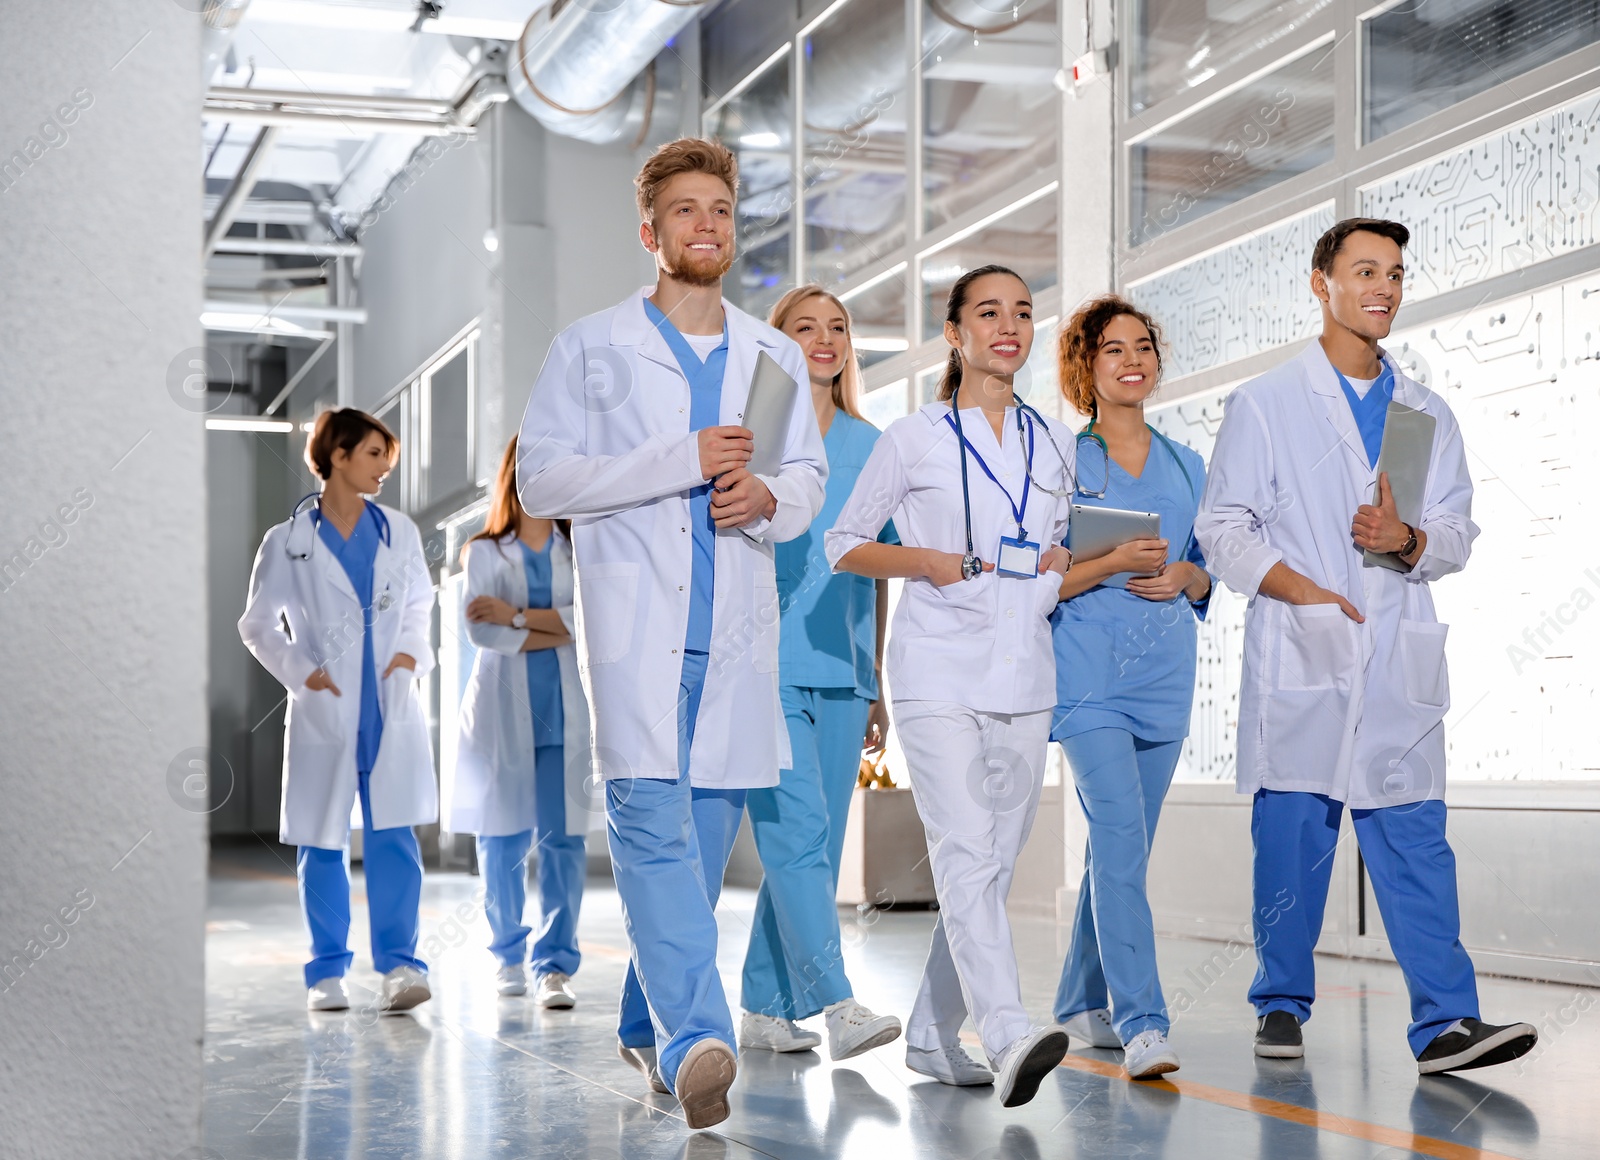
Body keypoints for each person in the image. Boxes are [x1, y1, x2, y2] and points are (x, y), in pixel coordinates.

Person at [516, 137, 826, 1129]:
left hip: (731, 637)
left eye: (723, 211)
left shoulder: (772, 355)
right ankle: (699, 1035)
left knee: (695, 853)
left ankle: (648, 1024)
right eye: (687, 210)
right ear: (650, 233)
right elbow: (543, 480)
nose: (708, 225)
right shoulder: (590, 349)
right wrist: (678, 458)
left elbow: (805, 479)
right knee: (651, 834)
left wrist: (766, 494)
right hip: (635, 634)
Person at [1194, 217, 1537, 1074]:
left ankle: (1446, 1025)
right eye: (1365, 270)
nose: (1383, 286)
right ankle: (1279, 1003)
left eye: (1394, 273)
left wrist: (1409, 538)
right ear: (1322, 282)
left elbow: (1457, 529)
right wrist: (1301, 588)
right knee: (1293, 839)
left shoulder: (1426, 411)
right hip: (1304, 651)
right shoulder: (1267, 402)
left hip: (1398, 661)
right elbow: (1222, 526)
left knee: (1417, 838)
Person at [827, 264, 1076, 1109]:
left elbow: (1060, 544)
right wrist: (926, 562)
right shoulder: (914, 437)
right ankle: (1006, 1034)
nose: (1008, 326)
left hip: (1025, 668)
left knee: (991, 867)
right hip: (936, 669)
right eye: (988, 312)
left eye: (1023, 312)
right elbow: (844, 542)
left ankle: (932, 1035)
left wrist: (1058, 566)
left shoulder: (1053, 440)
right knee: (967, 852)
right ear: (955, 332)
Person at [1046, 296, 1212, 1080]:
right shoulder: (1060, 461)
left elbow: (1211, 565)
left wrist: (1190, 573)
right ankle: (1142, 1021)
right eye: (1113, 350)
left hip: (1163, 678)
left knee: (1123, 851)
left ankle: (1080, 1002)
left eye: (1143, 346)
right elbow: (1038, 578)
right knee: (1117, 839)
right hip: (1086, 680)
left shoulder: (1187, 465)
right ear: (1086, 365)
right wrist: (1108, 564)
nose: (1132, 360)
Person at [736, 285, 902, 1062]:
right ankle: (837, 1005)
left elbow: (883, 571)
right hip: (764, 662)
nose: (825, 340)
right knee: (796, 836)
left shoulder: (874, 446)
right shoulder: (755, 443)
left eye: (837, 328)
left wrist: (876, 680)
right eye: (806, 329)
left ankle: (765, 1003)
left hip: (843, 666)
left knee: (815, 844)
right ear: (778, 345)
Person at [238, 408, 436, 1014]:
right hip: (327, 707)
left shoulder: (396, 531)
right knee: (321, 840)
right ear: (339, 455)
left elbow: (418, 605)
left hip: (388, 705)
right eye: (375, 455)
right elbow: (256, 624)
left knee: (394, 838)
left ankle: (401, 967)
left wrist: (407, 656)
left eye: (388, 458)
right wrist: (303, 672)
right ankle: (326, 972)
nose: (383, 469)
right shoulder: (288, 541)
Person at [451, 436, 594, 1009]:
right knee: (502, 836)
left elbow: (591, 624)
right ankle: (507, 955)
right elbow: (478, 632)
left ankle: (555, 966)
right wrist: (555, 625)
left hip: (565, 711)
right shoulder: (483, 551)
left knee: (565, 842)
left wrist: (513, 614)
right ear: (515, 475)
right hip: (501, 712)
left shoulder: (579, 547)